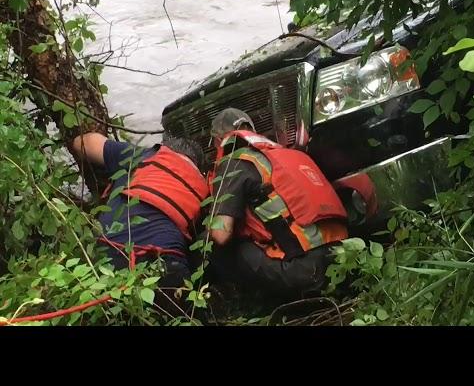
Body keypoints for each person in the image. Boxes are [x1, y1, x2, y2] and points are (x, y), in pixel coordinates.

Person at [203, 108, 349, 300]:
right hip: (345, 256)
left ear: (217, 142)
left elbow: (221, 235)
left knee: (218, 246)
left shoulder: (233, 163)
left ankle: (249, 305)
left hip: (305, 272)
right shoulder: (286, 155)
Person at [71, 132, 208, 316]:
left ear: (165, 147)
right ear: (198, 166)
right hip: (164, 260)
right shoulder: (204, 189)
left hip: (105, 255)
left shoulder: (143, 155)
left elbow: (83, 142)